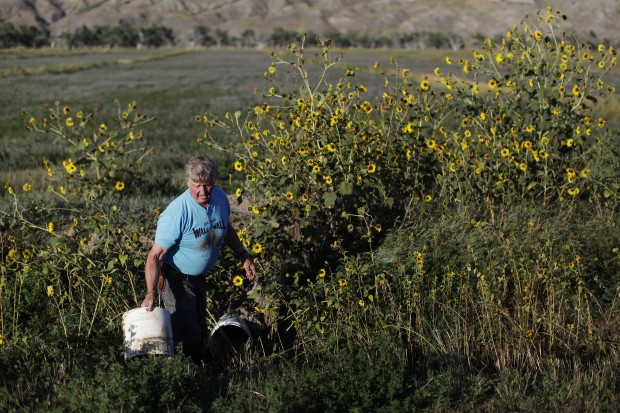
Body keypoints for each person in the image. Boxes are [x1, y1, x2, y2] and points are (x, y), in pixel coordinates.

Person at [140, 155, 256, 361]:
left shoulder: (220, 199)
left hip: (199, 279)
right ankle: (182, 372)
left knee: (200, 329)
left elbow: (225, 228)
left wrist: (243, 255)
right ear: (188, 183)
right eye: (197, 186)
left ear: (214, 183)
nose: (203, 192)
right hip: (176, 278)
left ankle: (199, 369)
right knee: (188, 334)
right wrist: (150, 293)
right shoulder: (176, 213)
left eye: (208, 185)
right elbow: (154, 256)